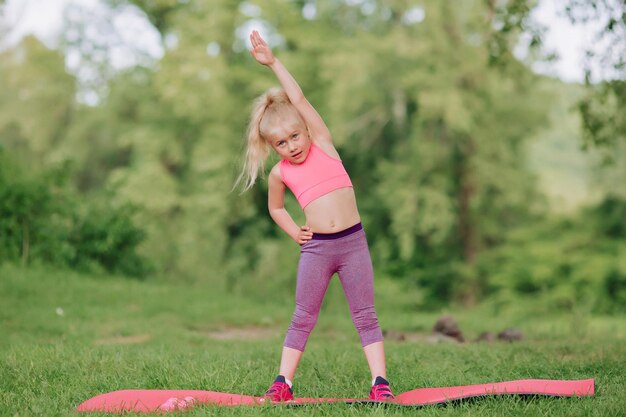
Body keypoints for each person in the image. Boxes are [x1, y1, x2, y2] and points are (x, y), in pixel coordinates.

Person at [237, 30, 394, 402]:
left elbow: (299, 97)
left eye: (295, 136)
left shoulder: (323, 142)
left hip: (353, 244)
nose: (291, 146)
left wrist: (273, 63)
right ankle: (282, 383)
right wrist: (294, 232)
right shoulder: (281, 173)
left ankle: (380, 383)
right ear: (272, 146)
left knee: (366, 315)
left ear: (306, 129)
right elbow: (275, 208)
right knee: (303, 316)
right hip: (317, 250)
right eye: (281, 143)